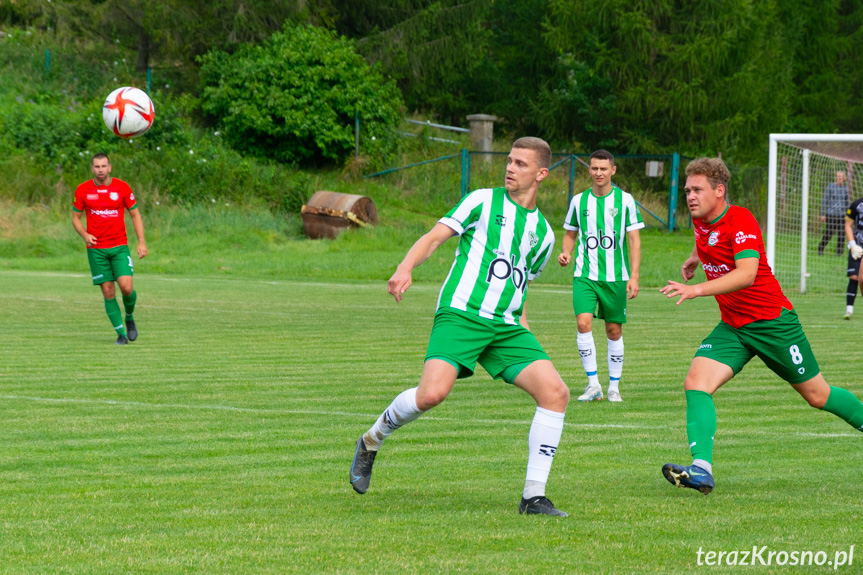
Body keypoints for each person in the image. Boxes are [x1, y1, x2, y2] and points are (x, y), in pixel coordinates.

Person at [349, 137, 571, 516]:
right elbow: (434, 238)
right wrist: (405, 267)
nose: (510, 168)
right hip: (462, 313)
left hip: (506, 325)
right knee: (431, 395)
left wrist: (524, 325)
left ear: (541, 174)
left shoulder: (546, 235)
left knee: (556, 393)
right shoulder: (482, 200)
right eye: (509, 161)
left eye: (520, 163)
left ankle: (533, 496)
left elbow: (521, 284)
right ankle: (372, 439)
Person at [659, 157, 863, 495]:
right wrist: (696, 258)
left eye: (697, 190)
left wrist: (696, 289)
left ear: (719, 191)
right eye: (687, 191)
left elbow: (747, 273)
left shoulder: (740, 219)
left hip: (773, 325)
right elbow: (707, 238)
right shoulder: (702, 220)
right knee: (696, 382)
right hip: (734, 327)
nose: (690, 196)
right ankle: (701, 470)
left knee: (818, 395)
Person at [558, 150, 643, 403]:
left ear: (612, 171)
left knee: (613, 330)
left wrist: (634, 276)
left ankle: (613, 387)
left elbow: (634, 240)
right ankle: (593, 384)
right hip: (584, 274)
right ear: (589, 170)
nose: (598, 173)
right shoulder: (578, 201)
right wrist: (565, 253)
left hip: (616, 277)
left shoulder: (625, 200)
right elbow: (570, 234)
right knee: (583, 323)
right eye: (594, 168)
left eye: (603, 169)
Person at [72, 153, 147, 344]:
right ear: (92, 169)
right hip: (96, 249)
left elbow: (135, 215)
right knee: (108, 292)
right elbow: (75, 218)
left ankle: (129, 317)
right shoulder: (82, 190)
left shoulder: (122, 187)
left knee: (126, 288)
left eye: (103, 166)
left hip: (119, 247)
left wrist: (141, 242)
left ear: (110, 167)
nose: (100, 170)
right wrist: (85, 235)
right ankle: (121, 334)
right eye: (96, 166)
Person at [818, 171, 849, 256]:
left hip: (842, 215)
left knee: (841, 234)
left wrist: (849, 215)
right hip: (831, 214)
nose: (839, 178)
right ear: (836, 177)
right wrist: (823, 214)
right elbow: (825, 200)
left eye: (841, 176)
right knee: (829, 233)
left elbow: (847, 203)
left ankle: (839, 253)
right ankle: (820, 247)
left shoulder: (845, 188)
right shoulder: (830, 186)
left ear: (843, 178)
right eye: (838, 176)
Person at [843, 196, 863, 319]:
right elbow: (848, 225)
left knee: (862, 279)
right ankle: (849, 310)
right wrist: (852, 245)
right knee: (854, 277)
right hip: (857, 247)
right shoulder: (857, 204)